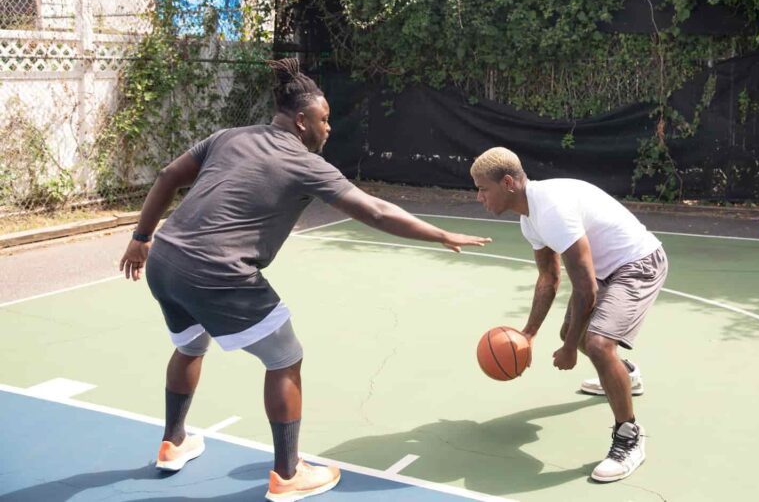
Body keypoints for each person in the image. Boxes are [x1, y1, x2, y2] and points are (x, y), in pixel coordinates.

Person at [119, 58, 491, 501]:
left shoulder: (228, 136)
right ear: (301, 121)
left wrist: (141, 238)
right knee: (284, 358)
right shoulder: (304, 162)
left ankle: (173, 442)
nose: (328, 128)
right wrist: (440, 234)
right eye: (324, 119)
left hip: (166, 259)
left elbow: (168, 176)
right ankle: (288, 474)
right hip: (218, 272)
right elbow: (375, 211)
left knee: (190, 345)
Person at [469, 147, 667, 483]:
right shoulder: (530, 218)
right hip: (606, 270)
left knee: (598, 344)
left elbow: (586, 288)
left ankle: (629, 436)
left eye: (483, 189)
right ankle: (625, 375)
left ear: (508, 183)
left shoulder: (552, 211)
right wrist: (529, 334)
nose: (479, 197)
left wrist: (572, 349)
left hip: (638, 264)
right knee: (571, 333)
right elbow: (549, 278)